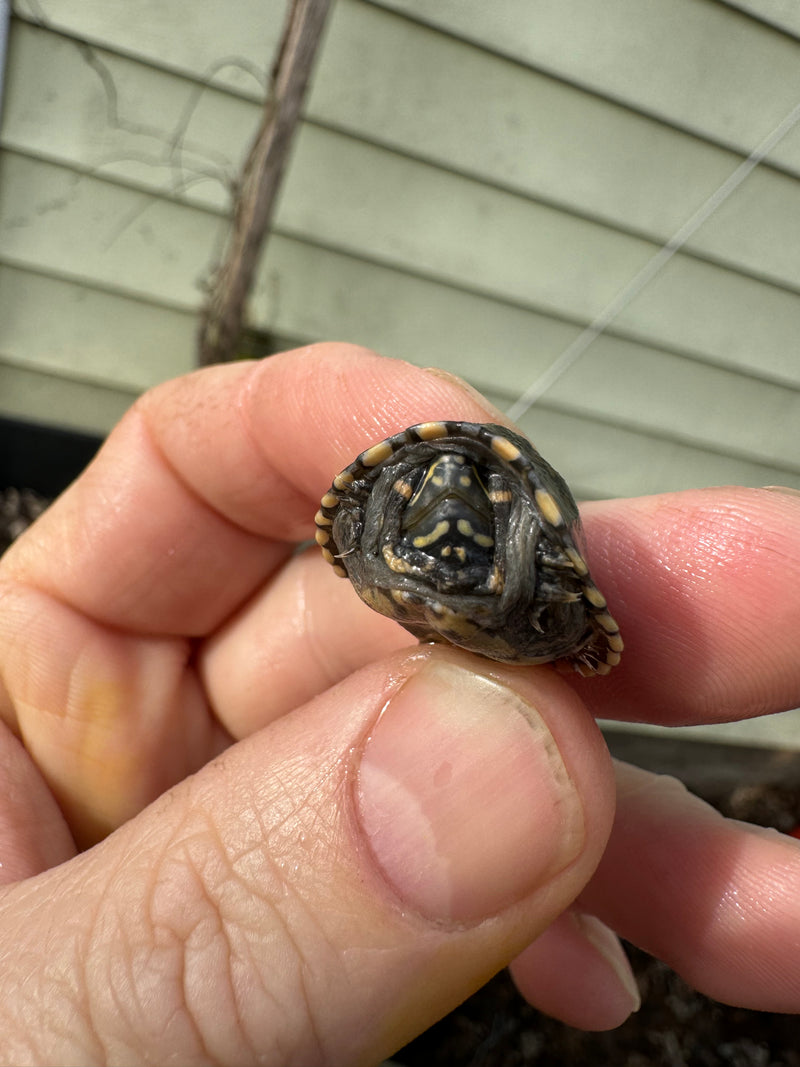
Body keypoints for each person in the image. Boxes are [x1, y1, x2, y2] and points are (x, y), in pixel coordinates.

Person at [0, 343, 798, 1065]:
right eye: (424, 486)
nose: (450, 487)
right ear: (391, 510)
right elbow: (345, 521)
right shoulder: (377, 529)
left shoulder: (529, 553)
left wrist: (558, 617)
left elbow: (575, 601)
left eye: (469, 492)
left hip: (503, 615)